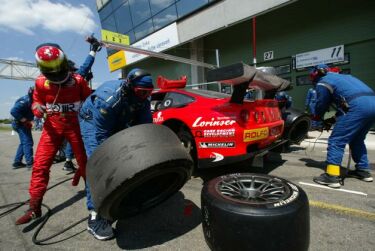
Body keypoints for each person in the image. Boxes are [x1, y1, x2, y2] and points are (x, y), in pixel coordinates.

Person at [15, 43, 92, 225]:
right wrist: (36, 108)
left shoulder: (79, 80)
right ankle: (35, 207)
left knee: (86, 165)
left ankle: (96, 203)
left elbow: (89, 101)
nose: (57, 75)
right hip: (52, 128)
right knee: (40, 165)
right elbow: (36, 101)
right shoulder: (40, 83)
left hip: (76, 127)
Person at [79, 68, 154, 240]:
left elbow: (145, 129)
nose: (145, 96)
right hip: (94, 121)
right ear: (130, 87)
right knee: (100, 163)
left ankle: (126, 193)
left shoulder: (142, 98)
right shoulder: (108, 99)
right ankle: (94, 216)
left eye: (149, 93)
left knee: (133, 151)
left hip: (118, 116)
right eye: (142, 92)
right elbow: (102, 135)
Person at [310, 64, 375, 188]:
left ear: (316, 75)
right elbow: (346, 106)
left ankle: (332, 176)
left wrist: (317, 120)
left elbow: (321, 104)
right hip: (372, 105)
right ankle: (363, 171)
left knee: (336, 140)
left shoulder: (323, 82)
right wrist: (332, 120)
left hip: (357, 107)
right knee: (357, 140)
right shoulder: (346, 77)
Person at [62, 36, 102, 172]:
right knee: (84, 138)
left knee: (72, 138)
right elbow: (85, 66)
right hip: (77, 115)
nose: (75, 72)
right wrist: (93, 50)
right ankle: (90, 167)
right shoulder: (72, 78)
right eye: (73, 70)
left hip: (65, 116)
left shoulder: (54, 83)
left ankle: (68, 161)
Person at [10, 87, 34, 169]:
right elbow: (13, 111)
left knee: (24, 143)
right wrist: (25, 121)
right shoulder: (25, 101)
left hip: (21, 124)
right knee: (28, 142)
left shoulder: (31, 100)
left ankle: (17, 162)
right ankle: (30, 163)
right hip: (20, 124)